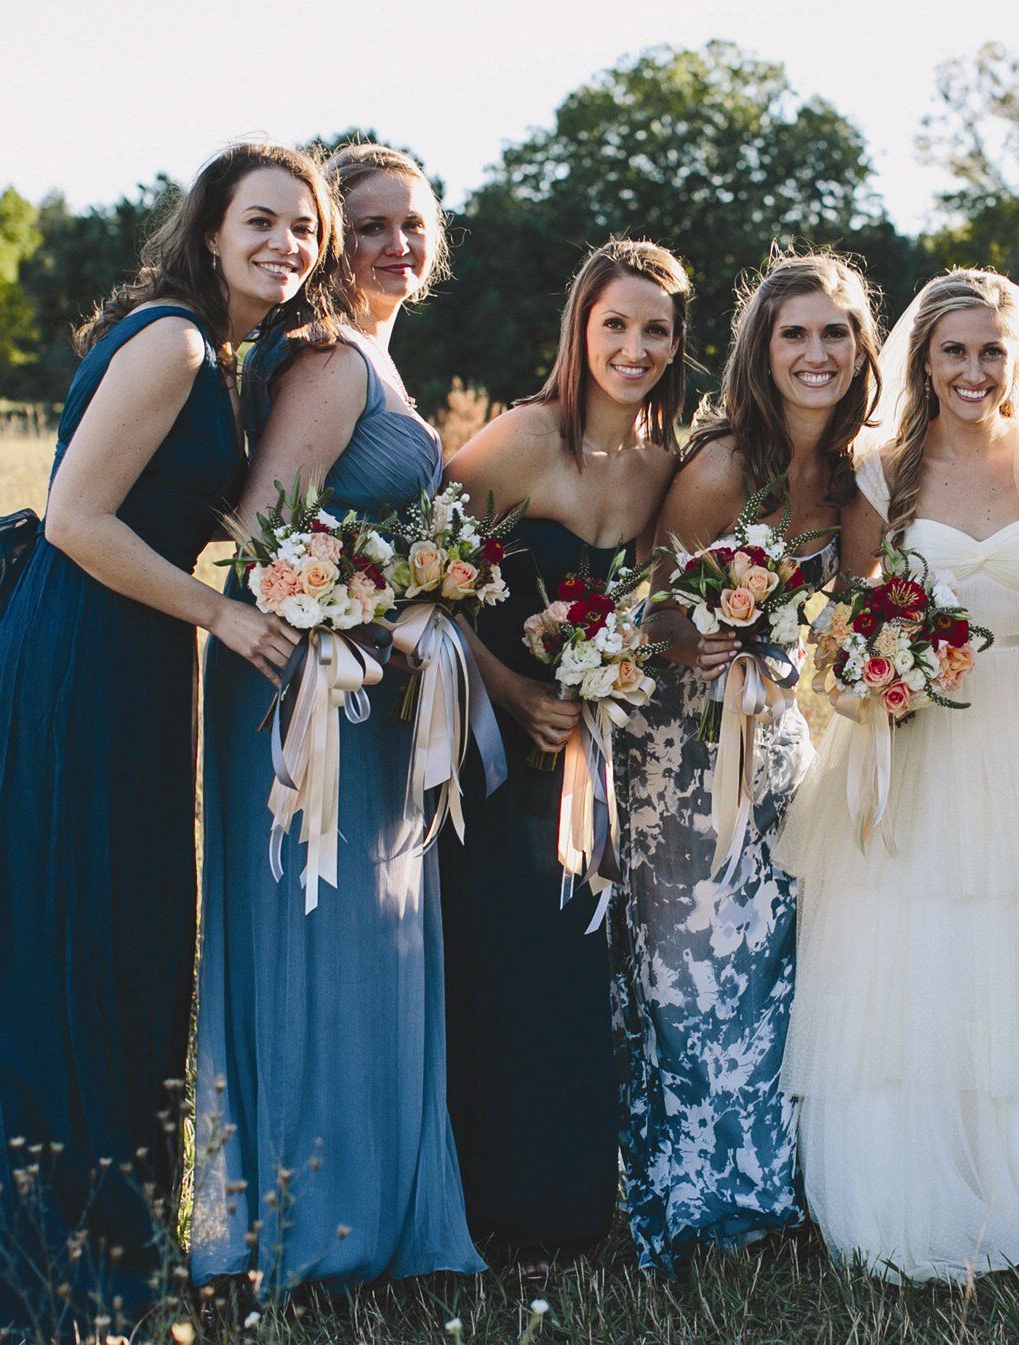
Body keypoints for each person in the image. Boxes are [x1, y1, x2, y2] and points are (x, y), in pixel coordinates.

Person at [0, 142, 337, 1341]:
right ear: (210, 231)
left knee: (116, 929)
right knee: (77, 934)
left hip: (128, 653)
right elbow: (73, 519)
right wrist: (225, 612)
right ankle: (51, 1262)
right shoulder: (175, 341)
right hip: (84, 658)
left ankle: (98, 1244)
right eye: (263, 221)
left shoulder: (227, 353)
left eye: (302, 230)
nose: (287, 246)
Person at [778, 268, 1019, 1283]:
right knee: (911, 942)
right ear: (922, 360)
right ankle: (910, 1192)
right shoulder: (882, 471)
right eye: (954, 351)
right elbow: (843, 619)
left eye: (991, 351)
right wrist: (880, 670)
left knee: (1018, 942)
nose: (973, 371)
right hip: (913, 730)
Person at [191, 142, 484, 1291]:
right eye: (367, 225)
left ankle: (362, 1212)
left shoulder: (379, 361)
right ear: (328, 240)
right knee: (320, 939)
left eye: (413, 223)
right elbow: (263, 538)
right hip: (304, 691)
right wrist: (380, 603)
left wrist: (424, 596)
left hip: (363, 685)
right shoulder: (328, 362)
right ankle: (319, 1229)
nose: (396, 245)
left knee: (372, 939)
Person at [613, 252, 882, 1271]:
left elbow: (858, 607)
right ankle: (693, 1205)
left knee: (772, 967)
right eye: (794, 335)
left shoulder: (855, 472)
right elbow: (651, 608)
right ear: (761, 352)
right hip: (678, 748)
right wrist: (701, 636)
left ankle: (768, 1194)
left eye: (835, 334)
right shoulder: (724, 465)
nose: (817, 353)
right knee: (693, 975)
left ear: (860, 350)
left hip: (771, 734)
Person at [438, 239, 692, 1268]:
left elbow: (660, 604)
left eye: (655, 331)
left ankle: (568, 1211)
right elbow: (423, 589)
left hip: (593, 758)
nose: (633, 348)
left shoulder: (663, 466)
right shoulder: (521, 442)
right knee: (499, 966)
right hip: (494, 753)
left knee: (576, 974)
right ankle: (485, 1207)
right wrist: (513, 692)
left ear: (679, 345)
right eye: (615, 325)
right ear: (580, 330)